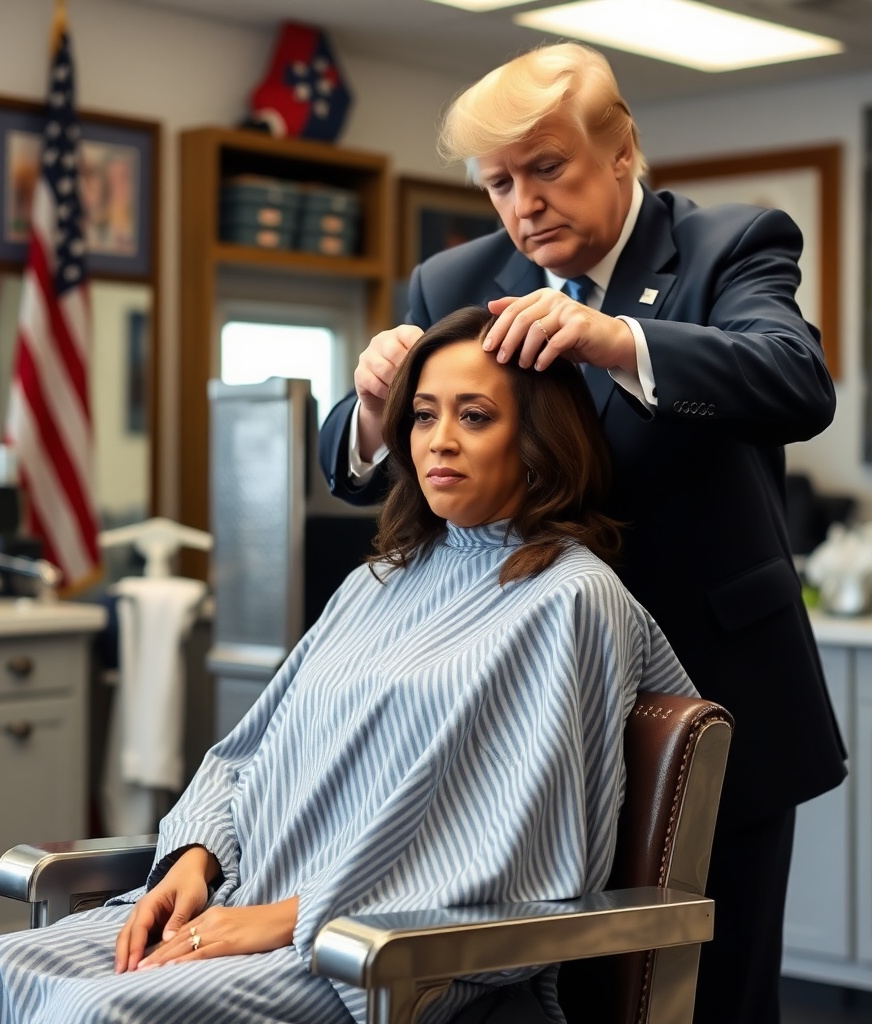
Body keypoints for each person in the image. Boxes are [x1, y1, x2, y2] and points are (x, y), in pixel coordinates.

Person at [0, 306, 696, 1024]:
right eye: (423, 415)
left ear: (539, 442)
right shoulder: (379, 579)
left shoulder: (571, 597)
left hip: (372, 952)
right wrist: (195, 857)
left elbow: (516, 847)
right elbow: (251, 753)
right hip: (243, 900)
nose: (438, 441)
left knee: (89, 1015)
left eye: (476, 417)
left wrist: (286, 919)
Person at [318, 42, 847, 1024]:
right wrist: (372, 400)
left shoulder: (730, 243)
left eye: (547, 169)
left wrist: (617, 340)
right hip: (524, 715)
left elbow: (793, 382)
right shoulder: (454, 281)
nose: (522, 204)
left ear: (621, 152)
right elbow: (357, 469)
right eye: (498, 183)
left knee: (711, 998)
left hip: (710, 692)